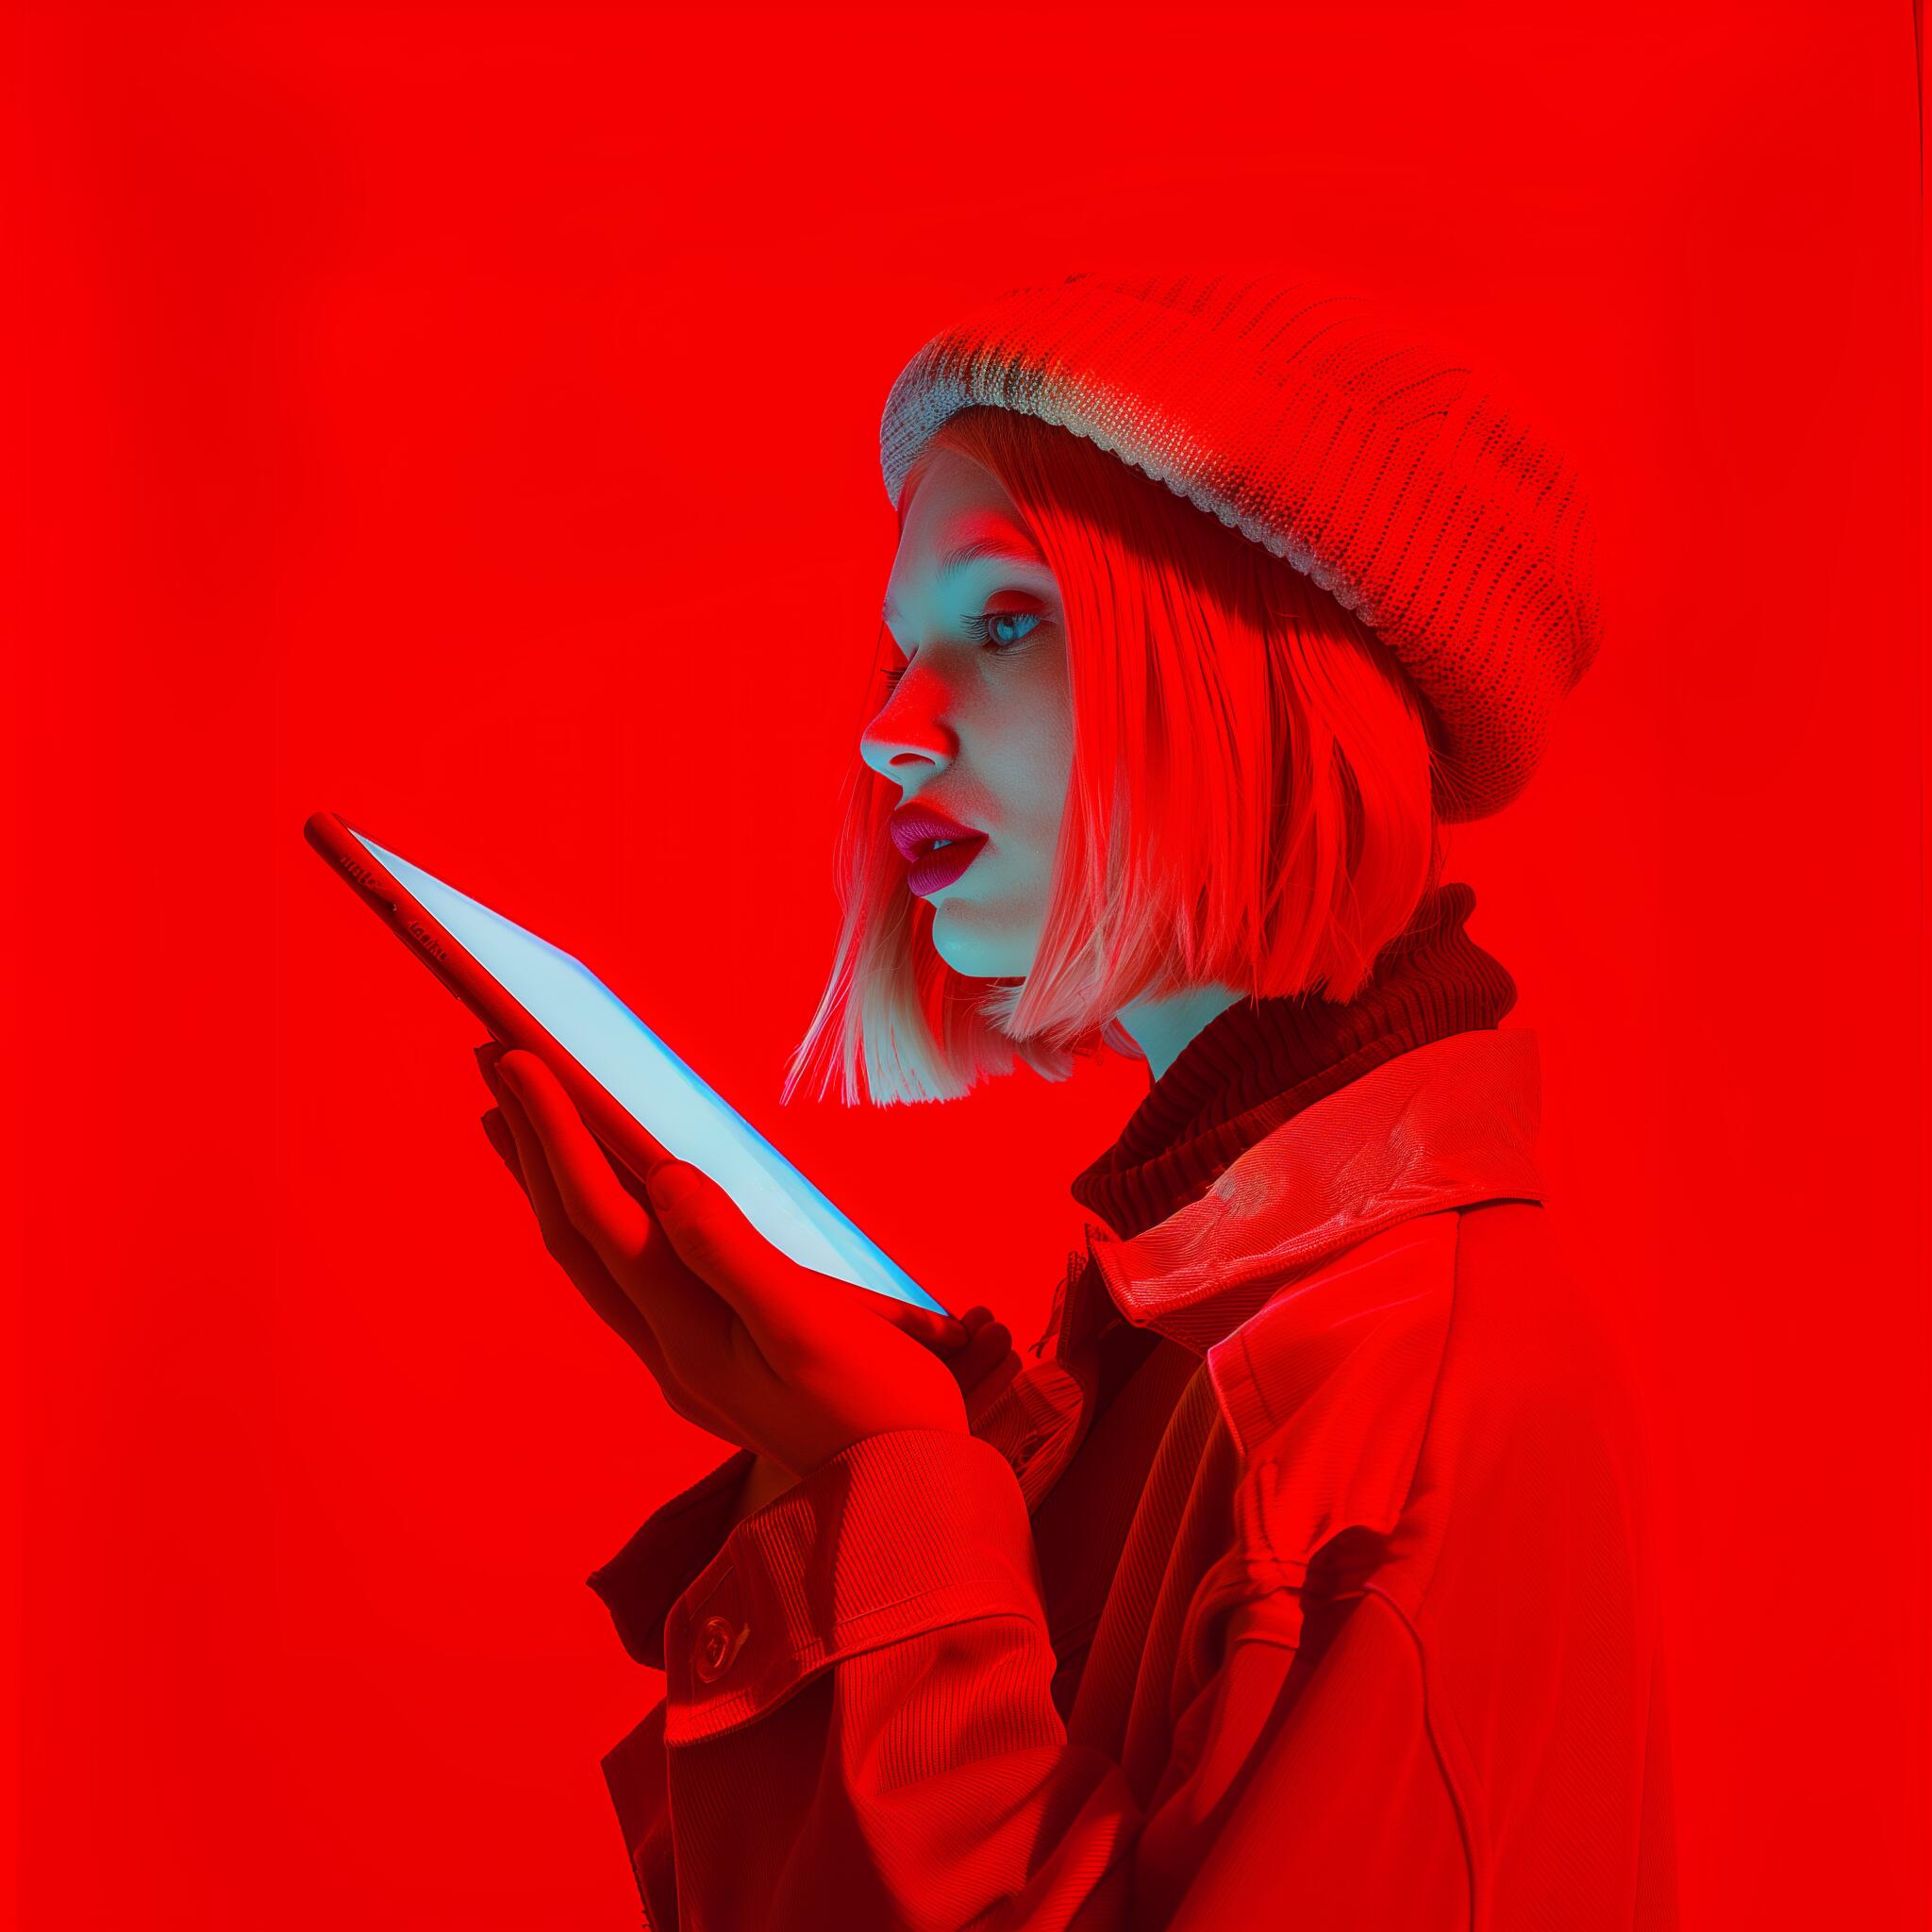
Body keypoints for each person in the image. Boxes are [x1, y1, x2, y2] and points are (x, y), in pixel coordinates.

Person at [474, 271, 1678, 1928]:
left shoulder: (1401, 1400)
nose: (892, 734)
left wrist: (885, 1480)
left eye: (1006, 623)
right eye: (903, 650)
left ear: (1265, 668)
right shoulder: (1190, 1329)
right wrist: (861, 1471)